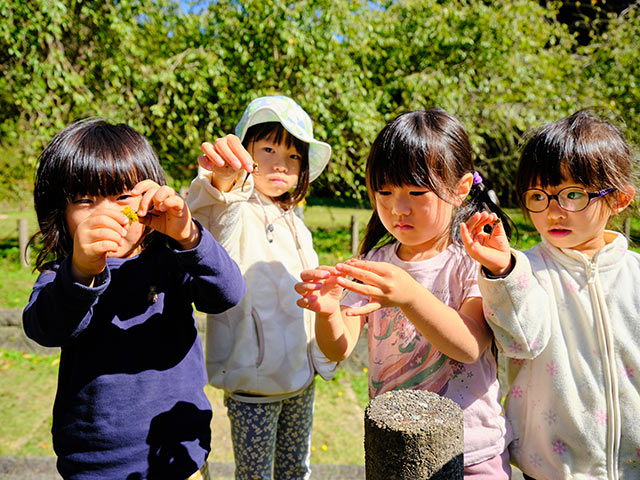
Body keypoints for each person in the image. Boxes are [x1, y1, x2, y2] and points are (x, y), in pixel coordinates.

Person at [23, 118, 246, 480]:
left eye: (123, 196)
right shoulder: (63, 273)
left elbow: (227, 293)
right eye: (85, 200)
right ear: (60, 213)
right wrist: (81, 269)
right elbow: (45, 328)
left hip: (179, 455)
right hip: (94, 468)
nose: (108, 213)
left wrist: (188, 235)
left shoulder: (171, 259)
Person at [295, 109, 513, 478]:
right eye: (385, 192)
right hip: (395, 449)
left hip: (469, 453)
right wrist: (328, 310)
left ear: (460, 190)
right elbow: (339, 349)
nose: (398, 208)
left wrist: (410, 295)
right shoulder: (372, 264)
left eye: (416, 192)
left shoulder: (469, 262)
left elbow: (470, 345)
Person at [460, 109, 640, 479]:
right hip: (551, 469)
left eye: (572, 194)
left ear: (620, 198)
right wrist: (502, 271)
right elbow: (521, 342)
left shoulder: (636, 274)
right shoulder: (525, 271)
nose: (553, 211)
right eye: (538, 195)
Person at [187, 95, 337, 480]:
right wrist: (223, 181)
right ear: (245, 151)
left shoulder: (294, 219)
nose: (280, 164)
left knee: (295, 471)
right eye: (268, 148)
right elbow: (211, 218)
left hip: (300, 380)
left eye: (293, 156)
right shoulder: (237, 208)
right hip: (253, 387)